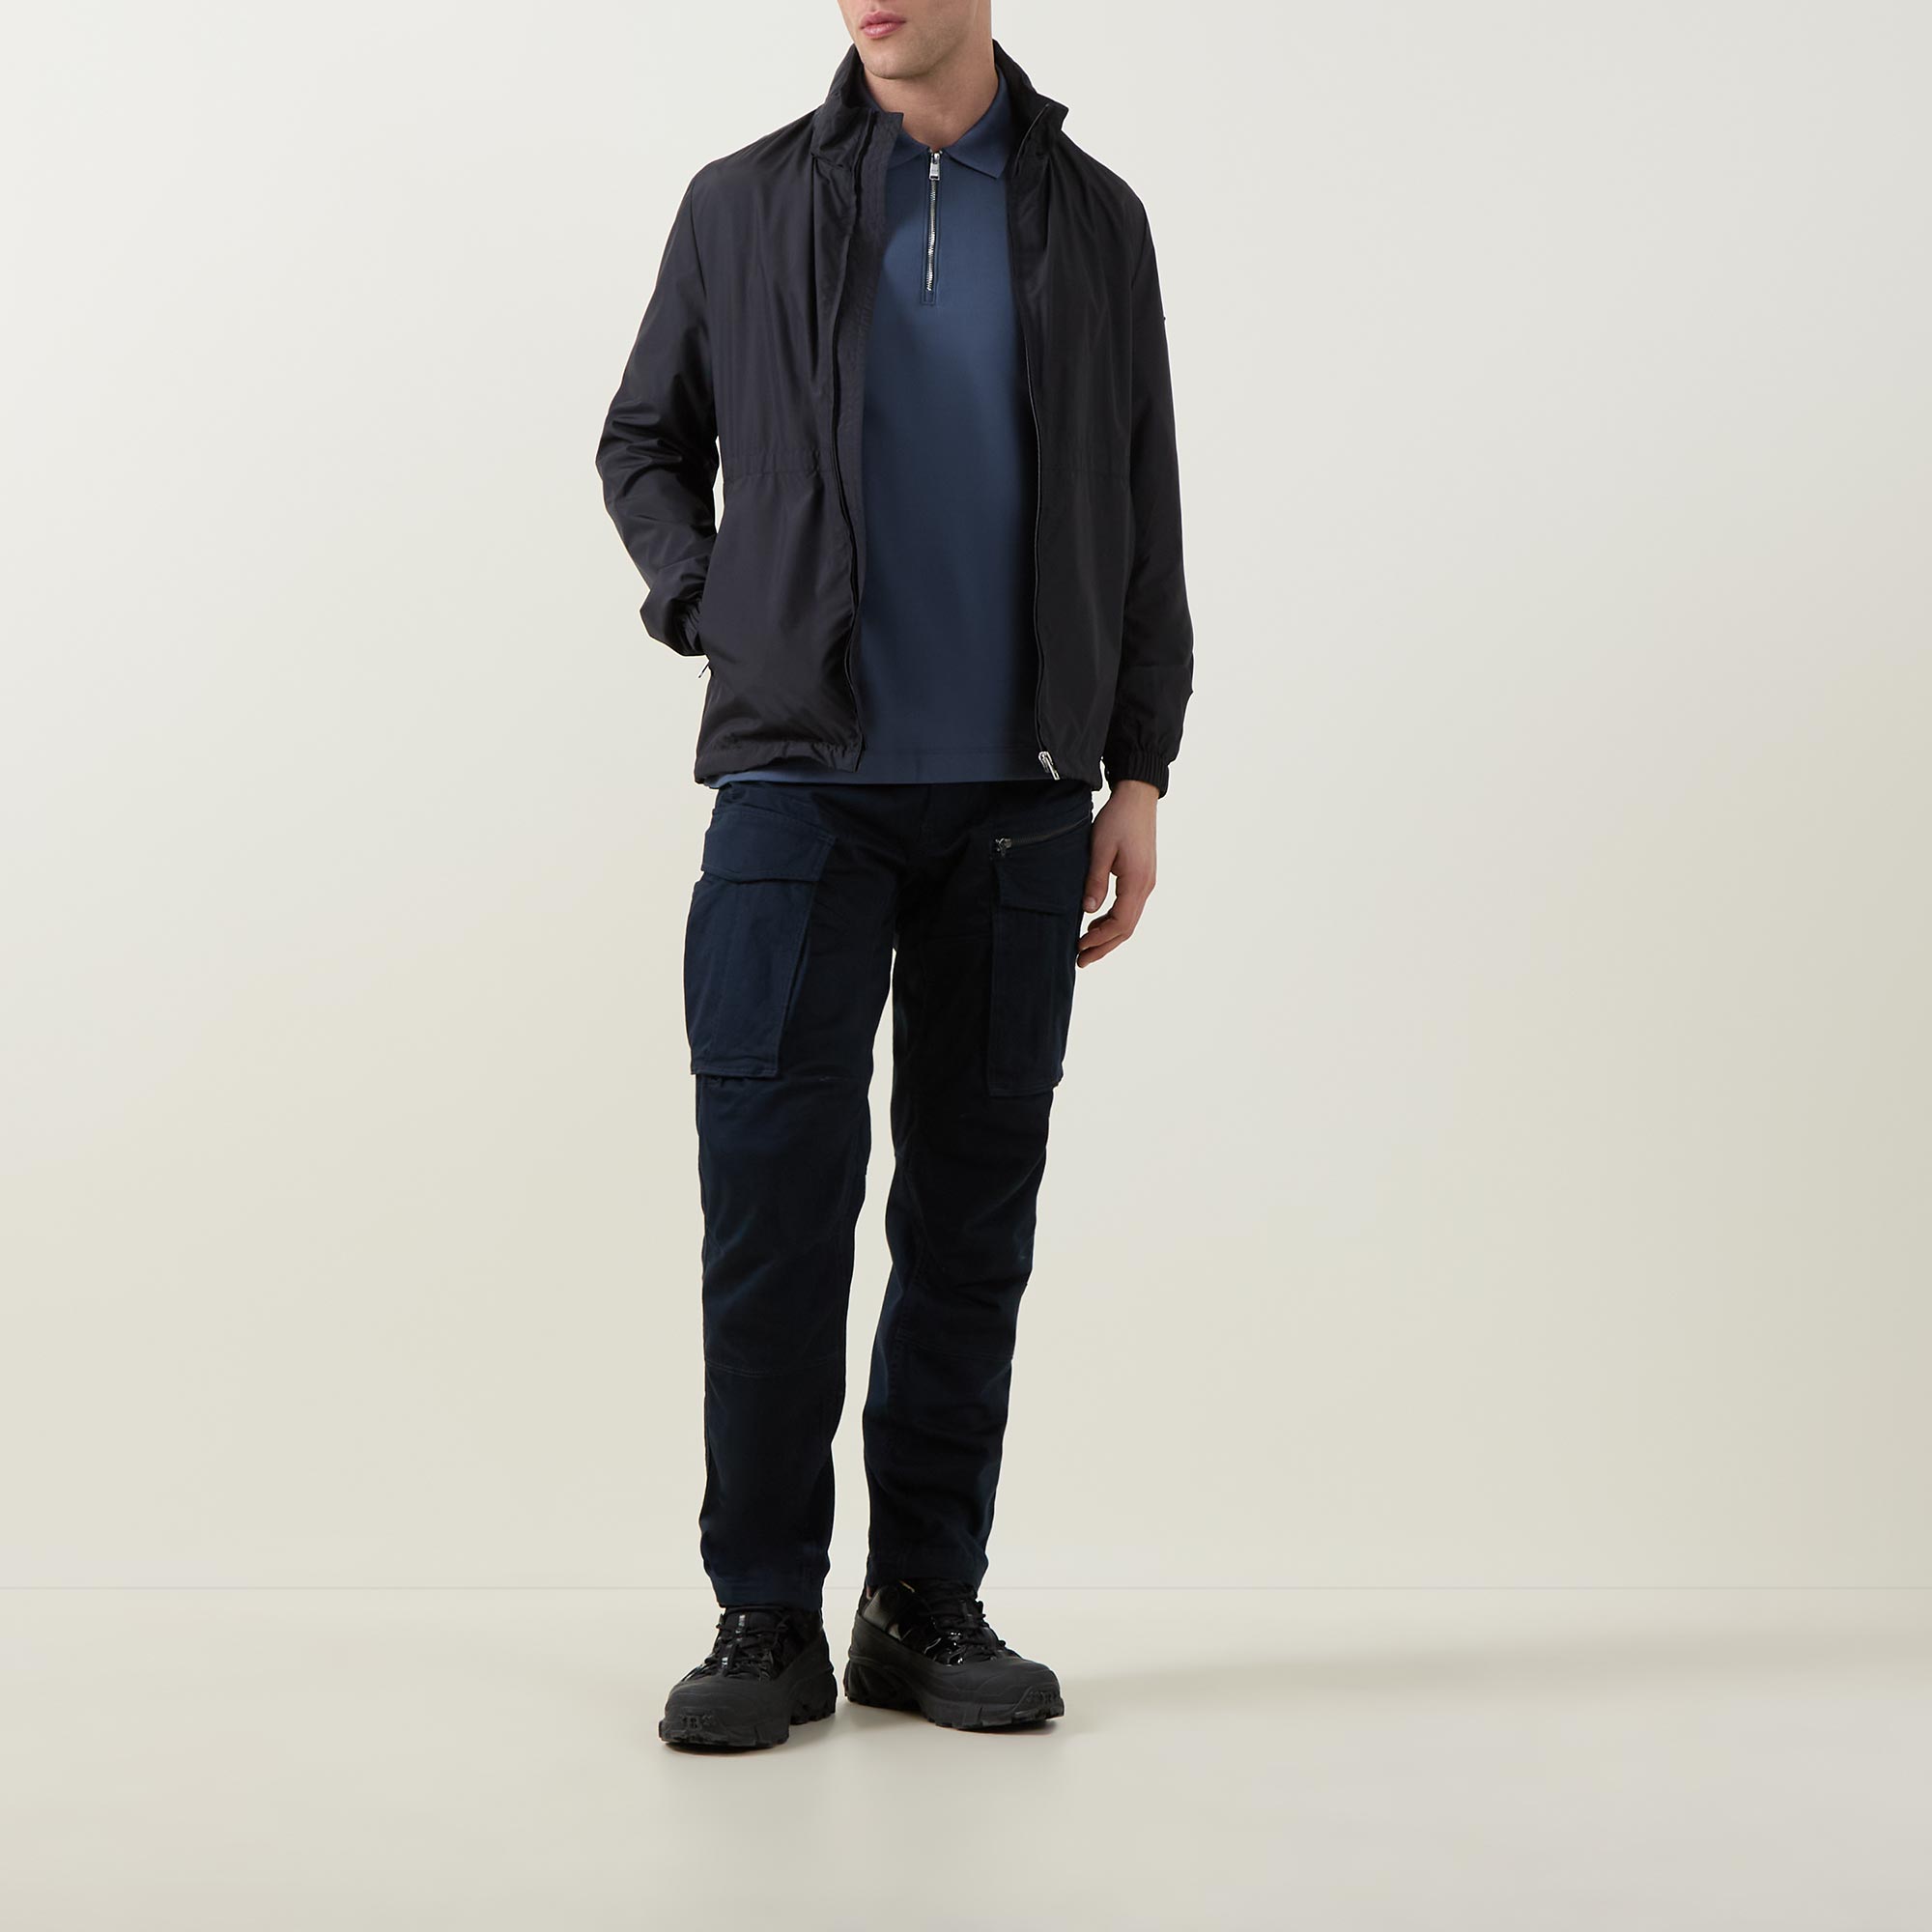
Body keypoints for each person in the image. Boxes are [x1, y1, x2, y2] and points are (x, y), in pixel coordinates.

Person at [595, 0, 1193, 1749]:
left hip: (1021, 798)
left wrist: (1139, 764)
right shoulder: (743, 202)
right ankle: (763, 1614)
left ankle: (923, 1603)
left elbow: (1144, 498)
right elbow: (644, 440)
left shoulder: (1094, 220)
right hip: (800, 793)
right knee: (772, 1215)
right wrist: (715, 601)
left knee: (970, 1223)